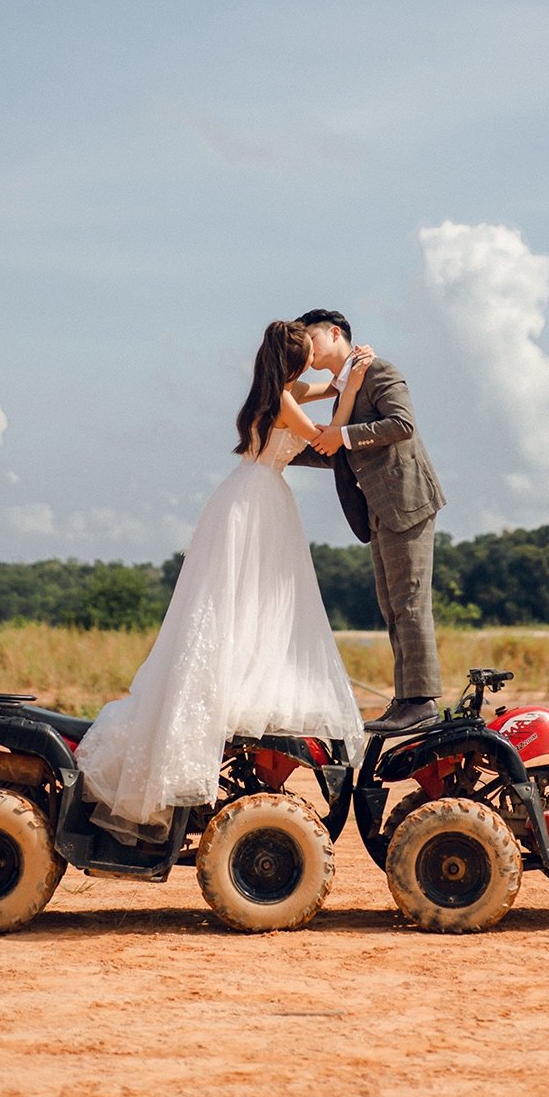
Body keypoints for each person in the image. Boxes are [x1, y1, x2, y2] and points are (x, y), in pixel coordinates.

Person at [74, 320, 372, 844]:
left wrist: (349, 371)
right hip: (258, 502)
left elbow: (327, 388)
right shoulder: (281, 400)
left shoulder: (275, 392)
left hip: (250, 497)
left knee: (246, 602)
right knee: (250, 600)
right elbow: (326, 441)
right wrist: (350, 397)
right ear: (292, 359)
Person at [289, 309, 446, 734]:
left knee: (410, 602)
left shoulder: (378, 370)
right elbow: (338, 451)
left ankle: (422, 701)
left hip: (406, 499)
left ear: (335, 332)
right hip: (378, 508)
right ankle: (406, 698)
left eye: (310, 337)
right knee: (393, 606)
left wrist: (339, 435)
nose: (306, 347)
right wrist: (279, 453)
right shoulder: (342, 389)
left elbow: (402, 424)